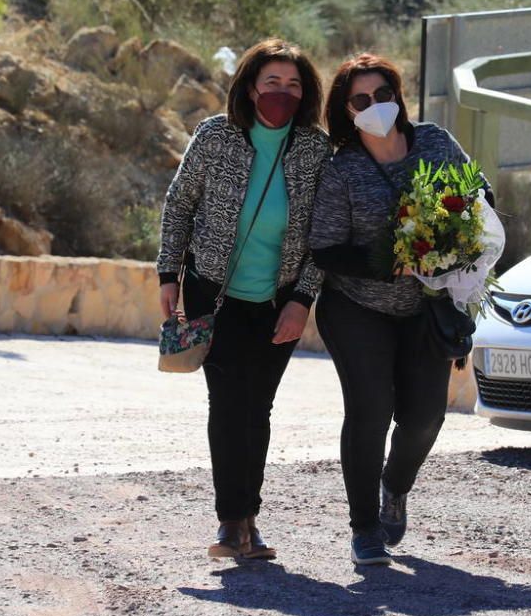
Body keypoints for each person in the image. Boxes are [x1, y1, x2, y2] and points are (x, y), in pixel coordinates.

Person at [310, 54, 492, 565]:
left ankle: (396, 485)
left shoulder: (433, 141)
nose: (375, 106)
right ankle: (365, 528)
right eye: (361, 100)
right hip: (357, 307)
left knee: (425, 417)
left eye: (382, 95)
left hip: (426, 308)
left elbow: (478, 195)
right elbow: (324, 248)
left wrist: (453, 241)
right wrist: (388, 262)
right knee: (370, 412)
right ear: (346, 111)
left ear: (398, 96)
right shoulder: (341, 168)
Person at [156, 38, 331, 560]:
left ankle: (248, 520)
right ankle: (232, 523)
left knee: (259, 408)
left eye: (294, 84)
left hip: (278, 301)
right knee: (228, 406)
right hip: (216, 293)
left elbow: (323, 236)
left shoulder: (316, 150)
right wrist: (169, 273)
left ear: (307, 94)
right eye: (272, 82)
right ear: (251, 86)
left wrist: (302, 300)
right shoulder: (216, 135)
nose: (282, 92)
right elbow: (179, 203)